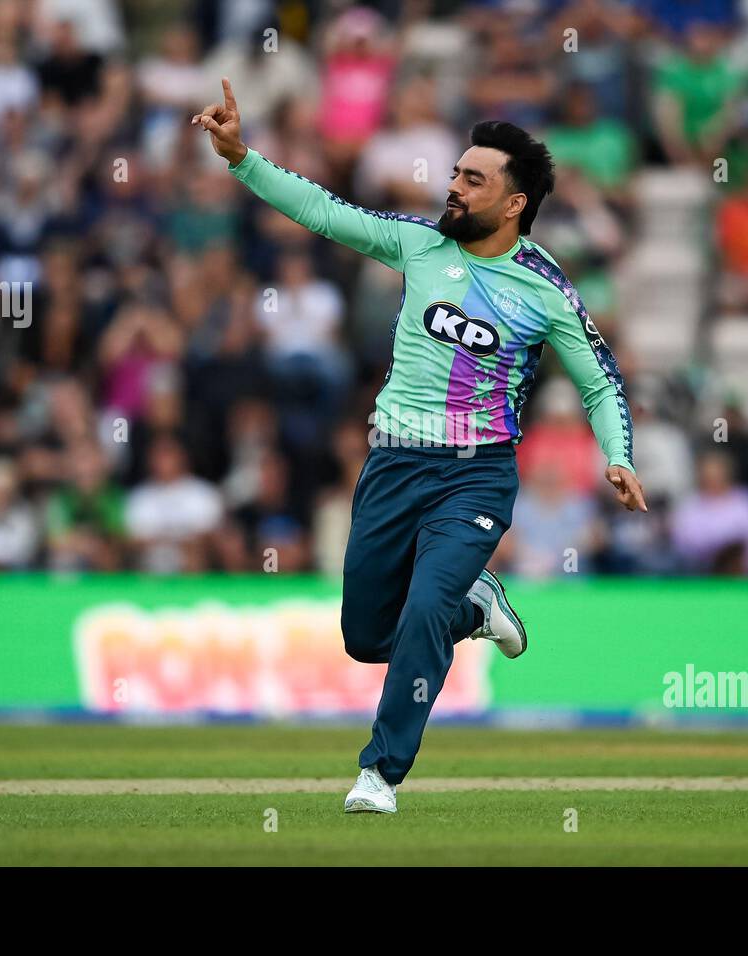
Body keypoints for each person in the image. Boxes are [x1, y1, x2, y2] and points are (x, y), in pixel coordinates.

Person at [194, 79, 646, 814]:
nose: (455, 187)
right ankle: (477, 606)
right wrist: (242, 157)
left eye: (474, 179)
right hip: (393, 464)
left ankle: (380, 773)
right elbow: (327, 213)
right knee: (368, 637)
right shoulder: (421, 245)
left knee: (426, 607)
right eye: (456, 174)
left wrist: (617, 456)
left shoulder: (545, 289)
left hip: (476, 478)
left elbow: (600, 381)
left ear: (515, 203)